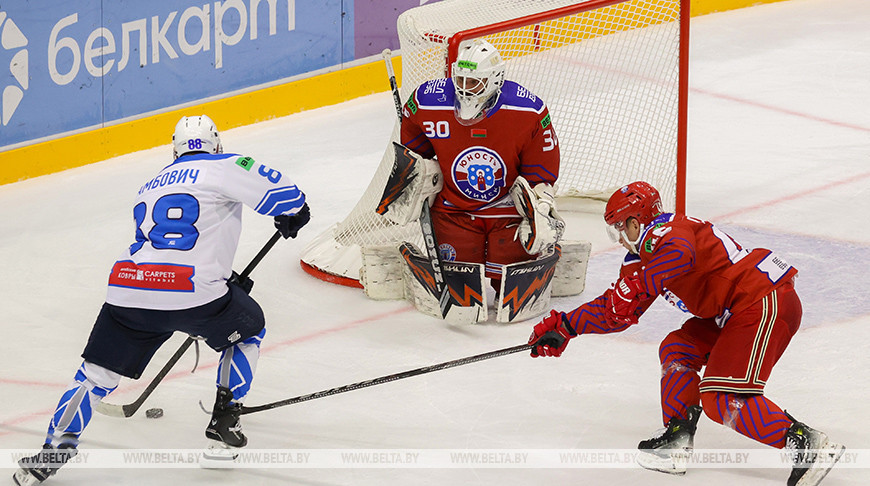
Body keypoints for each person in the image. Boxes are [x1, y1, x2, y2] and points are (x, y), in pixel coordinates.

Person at [13, 115, 311, 485]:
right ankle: (225, 417)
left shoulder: (150, 184)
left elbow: (166, 247)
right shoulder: (226, 164)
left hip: (128, 289)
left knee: (94, 376)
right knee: (248, 331)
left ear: (175, 149)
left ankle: (52, 451)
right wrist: (294, 215)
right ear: (216, 144)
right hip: (193, 292)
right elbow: (288, 197)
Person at [527, 181, 845, 485]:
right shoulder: (643, 256)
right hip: (734, 310)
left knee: (721, 398)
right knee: (677, 348)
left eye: (619, 228)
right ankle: (677, 438)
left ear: (636, 222)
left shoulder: (667, 230)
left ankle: (805, 442)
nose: (619, 239)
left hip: (760, 300)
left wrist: (639, 284)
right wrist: (565, 327)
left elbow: (680, 254)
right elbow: (617, 312)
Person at [400, 38, 563, 295]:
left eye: (474, 82)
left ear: (495, 79)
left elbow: (540, 171)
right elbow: (413, 139)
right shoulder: (427, 100)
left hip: (507, 211)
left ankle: (545, 253)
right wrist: (417, 171)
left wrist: (541, 206)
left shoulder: (528, 111)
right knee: (461, 290)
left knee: (511, 291)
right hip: (453, 209)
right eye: (460, 80)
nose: (465, 89)